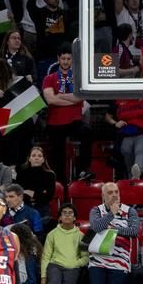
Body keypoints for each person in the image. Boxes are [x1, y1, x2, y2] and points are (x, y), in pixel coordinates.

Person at [41, 44, 94, 182]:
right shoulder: (49, 78)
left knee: (87, 131)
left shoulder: (78, 77)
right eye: (63, 58)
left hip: (74, 120)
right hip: (55, 122)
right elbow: (50, 100)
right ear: (58, 59)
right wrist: (73, 98)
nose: (65, 61)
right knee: (57, 151)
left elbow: (81, 97)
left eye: (68, 59)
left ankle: (82, 170)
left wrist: (60, 96)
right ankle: (59, 181)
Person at [89, 182, 143, 284]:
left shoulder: (130, 211)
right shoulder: (96, 210)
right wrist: (111, 214)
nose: (114, 195)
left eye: (116, 192)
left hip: (120, 261)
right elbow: (96, 227)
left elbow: (134, 231)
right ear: (103, 196)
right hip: (97, 261)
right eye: (110, 192)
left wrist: (111, 229)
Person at [42, 205, 87, 284]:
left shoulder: (81, 236)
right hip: (55, 266)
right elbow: (46, 257)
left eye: (70, 213)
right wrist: (43, 276)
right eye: (64, 213)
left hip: (73, 268)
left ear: (74, 218)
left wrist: (75, 264)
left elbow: (86, 257)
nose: (67, 215)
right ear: (60, 218)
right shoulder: (52, 234)